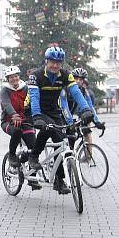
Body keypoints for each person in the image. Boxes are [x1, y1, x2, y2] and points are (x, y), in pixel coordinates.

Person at [27, 46, 94, 194]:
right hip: (33, 109)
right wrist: (37, 117)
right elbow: (34, 98)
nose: (55, 65)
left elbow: (76, 92)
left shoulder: (65, 75)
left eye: (58, 62)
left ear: (62, 63)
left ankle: (59, 179)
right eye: (52, 61)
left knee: (61, 140)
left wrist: (85, 109)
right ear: (46, 61)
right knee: (48, 129)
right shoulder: (36, 75)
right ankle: (33, 155)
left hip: (52, 110)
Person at [0, 66, 38, 171]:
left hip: (24, 121)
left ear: (19, 77)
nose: (14, 79)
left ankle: (31, 178)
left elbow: (30, 102)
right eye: (11, 77)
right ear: (8, 79)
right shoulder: (5, 90)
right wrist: (14, 115)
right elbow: (6, 104)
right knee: (17, 131)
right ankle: (12, 155)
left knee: (34, 148)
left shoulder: (25, 88)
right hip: (8, 121)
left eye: (16, 76)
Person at [70, 68, 105, 145]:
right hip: (64, 115)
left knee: (87, 134)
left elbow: (90, 106)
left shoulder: (84, 91)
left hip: (78, 117)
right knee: (69, 138)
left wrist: (97, 122)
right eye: (76, 78)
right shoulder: (67, 89)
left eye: (80, 79)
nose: (78, 81)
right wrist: (69, 121)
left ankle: (88, 156)